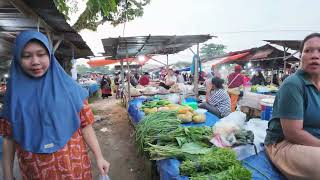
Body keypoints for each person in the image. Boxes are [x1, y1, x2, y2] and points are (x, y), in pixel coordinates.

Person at [0, 31, 110, 179]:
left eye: (41, 54)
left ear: (50, 56)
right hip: (36, 171)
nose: (35, 61)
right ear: (18, 59)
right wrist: (7, 174)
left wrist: (99, 157)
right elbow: (8, 137)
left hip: (74, 168)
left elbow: (86, 125)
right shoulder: (13, 97)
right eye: (26, 56)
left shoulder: (69, 89)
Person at [264, 33, 320, 179]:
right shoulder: (293, 84)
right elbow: (293, 133)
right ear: (301, 57)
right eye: (308, 51)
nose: (314, 55)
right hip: (284, 144)